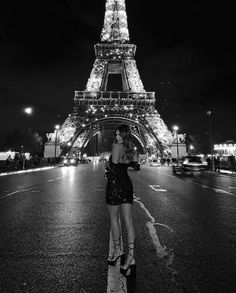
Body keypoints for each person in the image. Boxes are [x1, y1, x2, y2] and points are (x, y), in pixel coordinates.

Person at [105, 124, 137, 276]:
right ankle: (130, 255)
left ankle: (117, 250)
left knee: (113, 219)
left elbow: (115, 168)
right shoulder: (131, 148)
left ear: (124, 135)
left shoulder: (116, 146)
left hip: (115, 185)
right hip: (127, 185)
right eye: (116, 134)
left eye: (119, 135)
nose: (117, 137)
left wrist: (107, 167)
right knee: (129, 220)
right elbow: (133, 165)